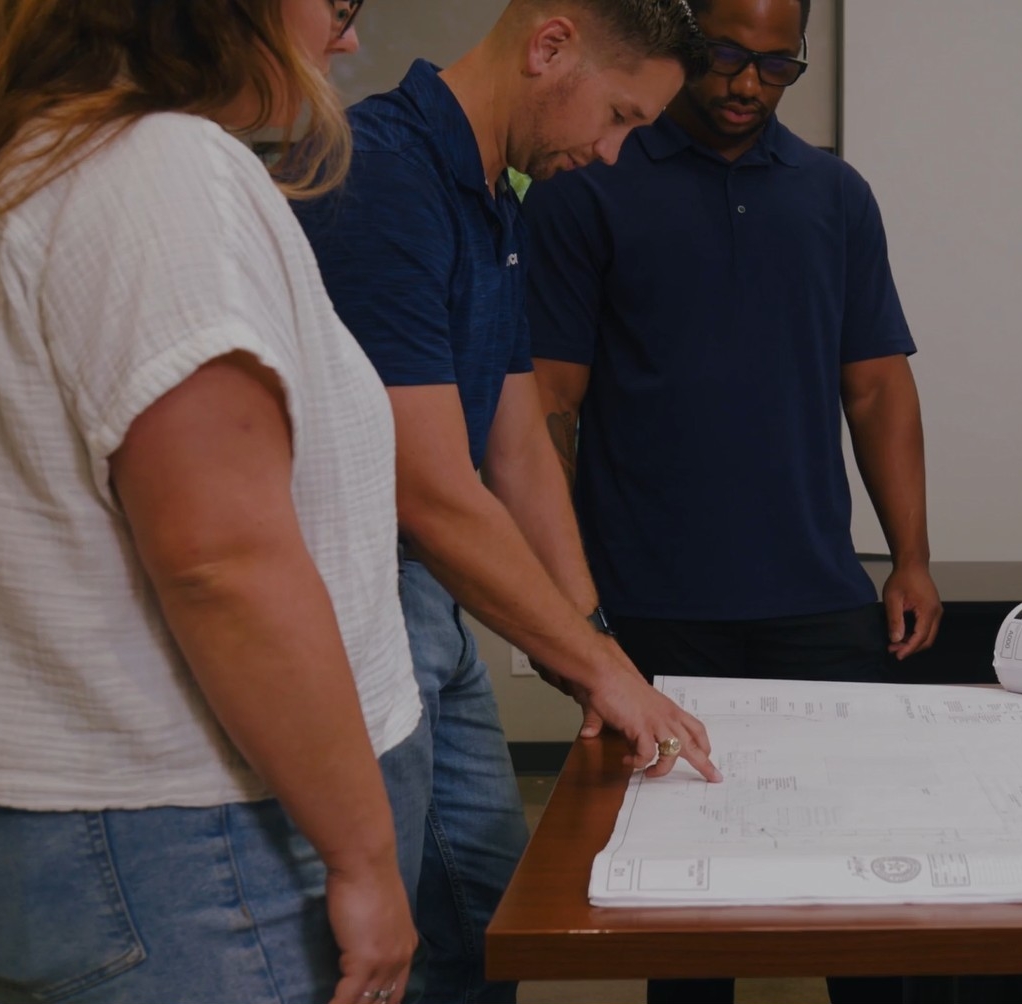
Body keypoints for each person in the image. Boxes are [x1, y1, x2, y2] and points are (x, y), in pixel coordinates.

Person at [0, 2, 427, 1003]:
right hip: (185, 840)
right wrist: (364, 856)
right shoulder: (158, 173)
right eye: (336, 5)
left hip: (47, 836)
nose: (345, 41)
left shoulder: (17, 159)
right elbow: (224, 560)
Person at [293, 2, 723, 1000]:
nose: (613, 153)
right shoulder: (382, 176)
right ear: (548, 45)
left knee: (488, 911)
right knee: (378, 933)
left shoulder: (498, 195)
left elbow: (515, 435)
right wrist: (603, 669)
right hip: (357, 606)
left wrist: (589, 640)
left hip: (432, 608)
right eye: (616, 115)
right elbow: (433, 487)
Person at [522, 0, 943, 1000]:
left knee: (859, 875)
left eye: (775, 66)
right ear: (680, 42)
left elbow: (877, 384)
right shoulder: (591, 184)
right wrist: (569, 611)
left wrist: (911, 557)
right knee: (683, 896)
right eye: (723, 58)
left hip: (815, 592)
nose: (746, 85)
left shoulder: (833, 194)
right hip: (655, 604)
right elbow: (545, 407)